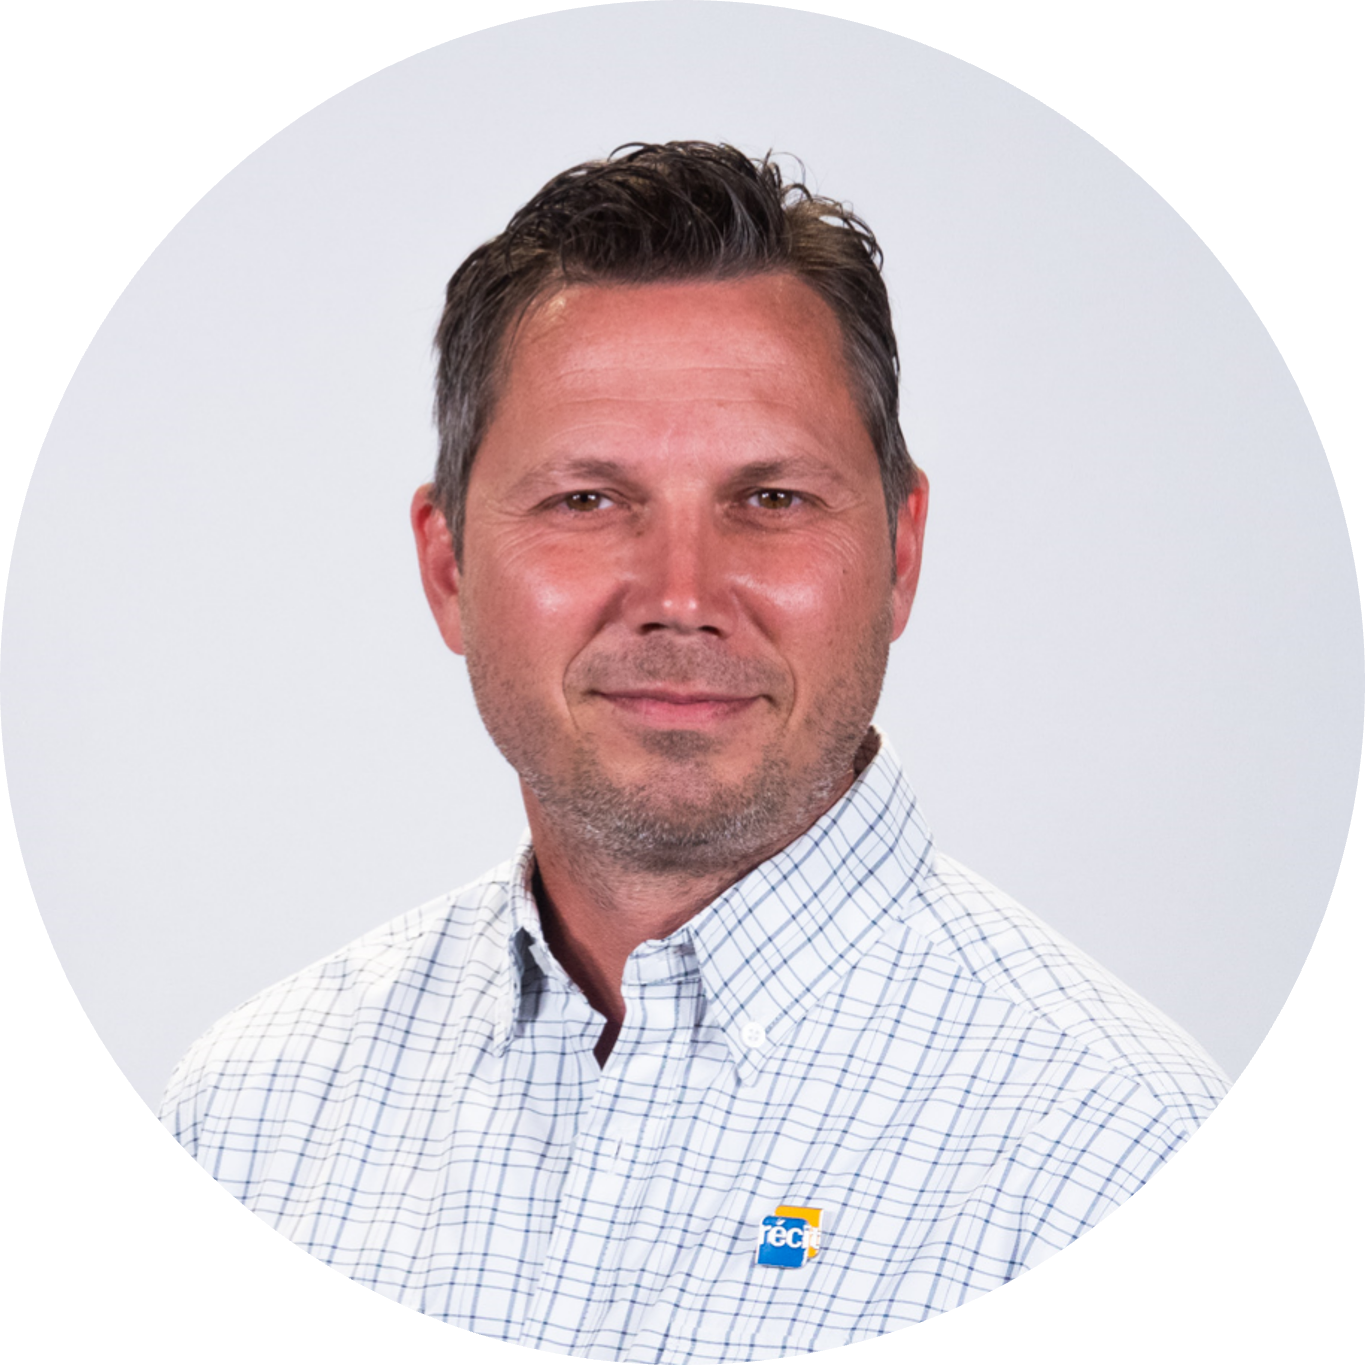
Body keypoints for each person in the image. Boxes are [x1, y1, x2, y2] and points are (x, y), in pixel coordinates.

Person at [160, 142, 1227, 1355]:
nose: (681, 597)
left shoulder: (1110, 1150)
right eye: (586, 501)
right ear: (448, 566)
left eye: (771, 500)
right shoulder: (253, 1117)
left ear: (900, 552)